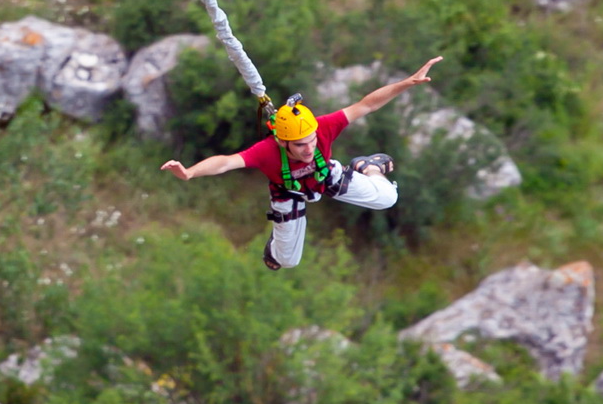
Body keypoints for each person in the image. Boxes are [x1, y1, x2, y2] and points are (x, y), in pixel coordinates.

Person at [161, 56, 444, 270]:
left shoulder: (322, 127)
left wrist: (406, 84)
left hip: (326, 177)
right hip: (290, 193)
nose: (309, 148)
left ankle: (367, 167)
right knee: (287, 261)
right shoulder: (266, 151)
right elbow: (224, 163)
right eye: (300, 145)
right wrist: (189, 173)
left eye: (311, 141)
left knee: (389, 198)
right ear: (283, 142)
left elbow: (366, 105)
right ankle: (276, 245)